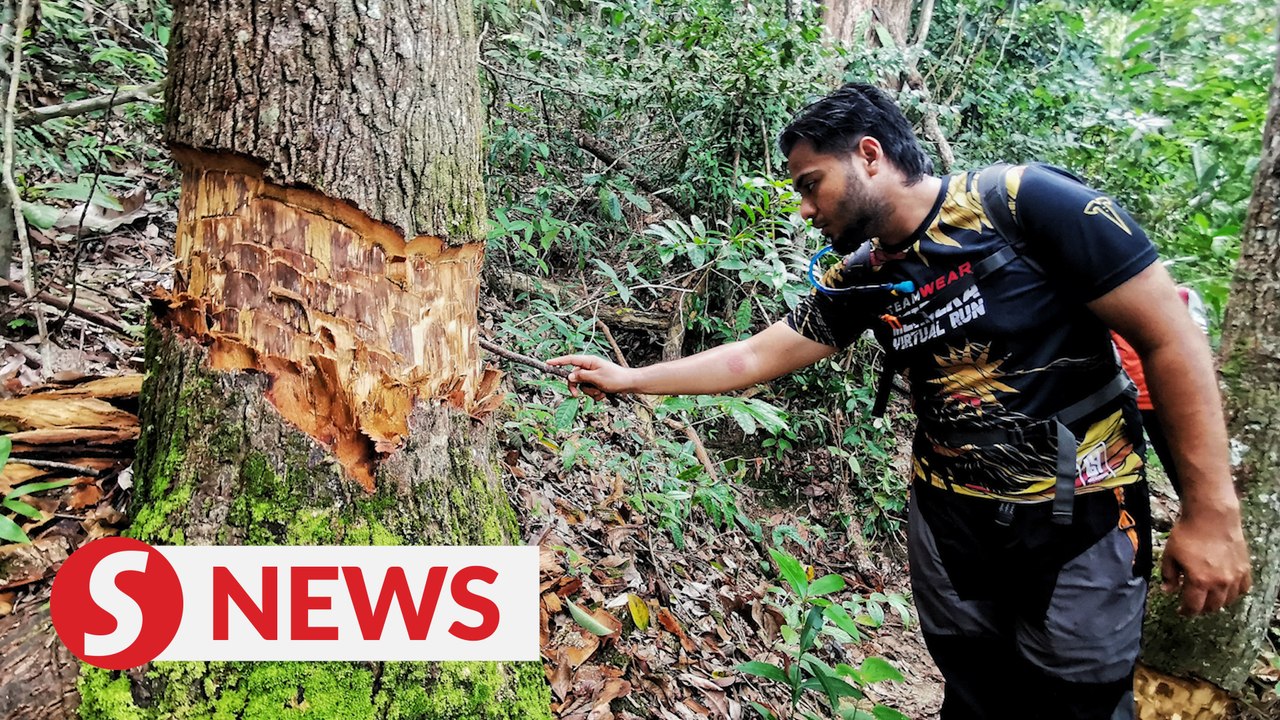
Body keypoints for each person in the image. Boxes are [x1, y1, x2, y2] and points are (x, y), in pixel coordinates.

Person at [548, 83, 1250, 720]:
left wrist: (1211, 511)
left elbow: (1170, 340)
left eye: (810, 183)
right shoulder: (867, 275)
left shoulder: (1024, 204)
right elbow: (757, 355)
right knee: (973, 689)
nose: (804, 207)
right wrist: (630, 378)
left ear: (871, 154)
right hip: (951, 522)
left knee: (1079, 702)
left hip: (1081, 518)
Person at [1112, 285, 1209, 497]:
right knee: (1128, 473)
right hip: (1126, 400)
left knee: (1187, 472)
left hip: (1170, 398)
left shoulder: (1181, 297)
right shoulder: (1108, 303)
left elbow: (1199, 343)